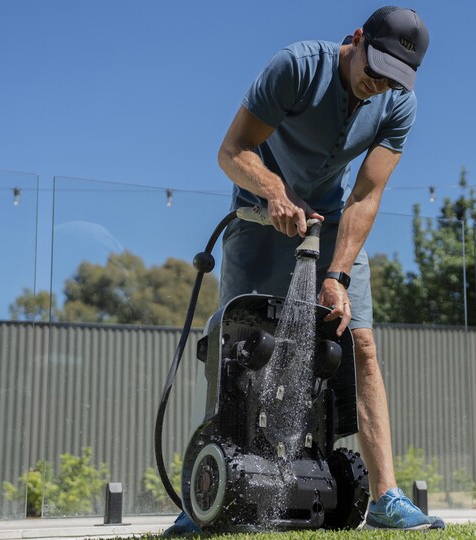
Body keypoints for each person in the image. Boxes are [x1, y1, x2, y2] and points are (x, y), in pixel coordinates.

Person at [165, 5, 443, 534]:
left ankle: (385, 497)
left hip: (334, 224)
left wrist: (337, 276)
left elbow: (366, 195)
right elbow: (232, 150)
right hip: (258, 216)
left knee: (361, 343)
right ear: (357, 39)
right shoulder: (295, 66)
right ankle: (207, 494)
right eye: (375, 67)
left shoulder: (397, 104)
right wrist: (275, 192)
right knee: (242, 344)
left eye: (393, 78)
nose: (378, 83)